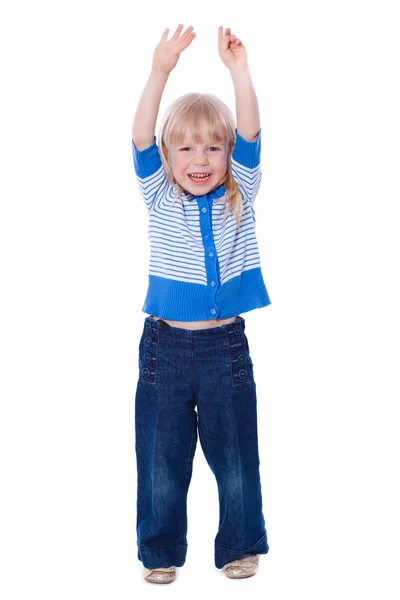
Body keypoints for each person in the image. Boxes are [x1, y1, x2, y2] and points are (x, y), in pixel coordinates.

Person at [131, 24, 272, 584]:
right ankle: (159, 550)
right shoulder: (159, 193)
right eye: (186, 147)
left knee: (235, 456)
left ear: (228, 153)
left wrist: (239, 72)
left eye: (213, 147)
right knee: (162, 458)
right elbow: (141, 136)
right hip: (165, 350)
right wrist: (159, 72)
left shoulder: (242, 189)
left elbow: (253, 133)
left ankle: (240, 543)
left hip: (224, 349)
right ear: (168, 156)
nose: (200, 158)